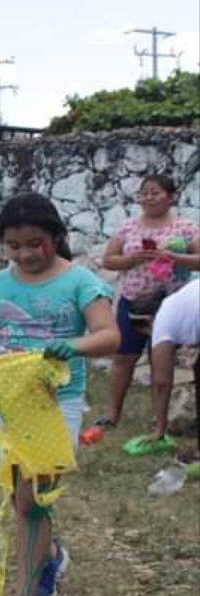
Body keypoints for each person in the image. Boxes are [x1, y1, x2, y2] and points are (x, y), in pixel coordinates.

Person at [0, 193, 119, 596]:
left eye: (35, 243)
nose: (25, 253)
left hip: (56, 403)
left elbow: (108, 336)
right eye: (14, 245)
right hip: (7, 402)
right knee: (32, 498)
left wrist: (73, 347)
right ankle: (51, 555)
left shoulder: (80, 282)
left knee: (29, 501)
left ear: (55, 237)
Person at [97, 174, 200, 429]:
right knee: (123, 357)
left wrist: (174, 257)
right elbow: (108, 260)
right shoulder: (129, 227)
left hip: (169, 305)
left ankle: (158, 420)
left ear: (171, 197)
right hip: (133, 300)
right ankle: (112, 415)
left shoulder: (185, 228)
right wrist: (133, 259)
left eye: (155, 192)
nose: (149, 197)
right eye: (144, 193)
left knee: (160, 361)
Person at [125, 280, 200, 456]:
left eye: (148, 335)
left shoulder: (161, 325)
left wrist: (160, 428)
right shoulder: (175, 303)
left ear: (148, 322)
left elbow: (161, 382)